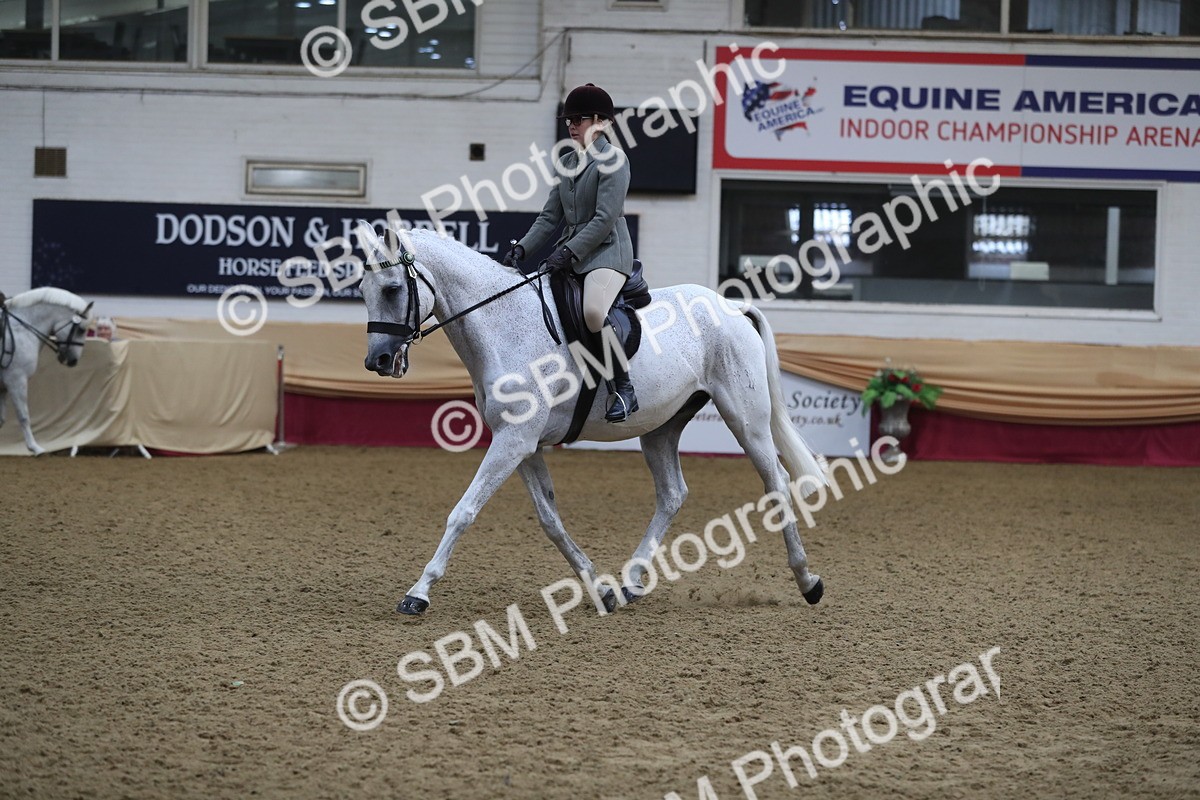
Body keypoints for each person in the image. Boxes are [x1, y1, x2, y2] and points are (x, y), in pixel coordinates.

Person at [502, 83, 638, 422]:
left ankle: (624, 388)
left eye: (578, 119)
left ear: (600, 121)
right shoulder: (566, 162)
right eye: (568, 120)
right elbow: (550, 217)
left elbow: (605, 219)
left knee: (592, 311)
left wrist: (568, 252)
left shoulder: (614, 160)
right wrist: (523, 248)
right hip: (574, 253)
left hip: (607, 253)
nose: (571, 125)